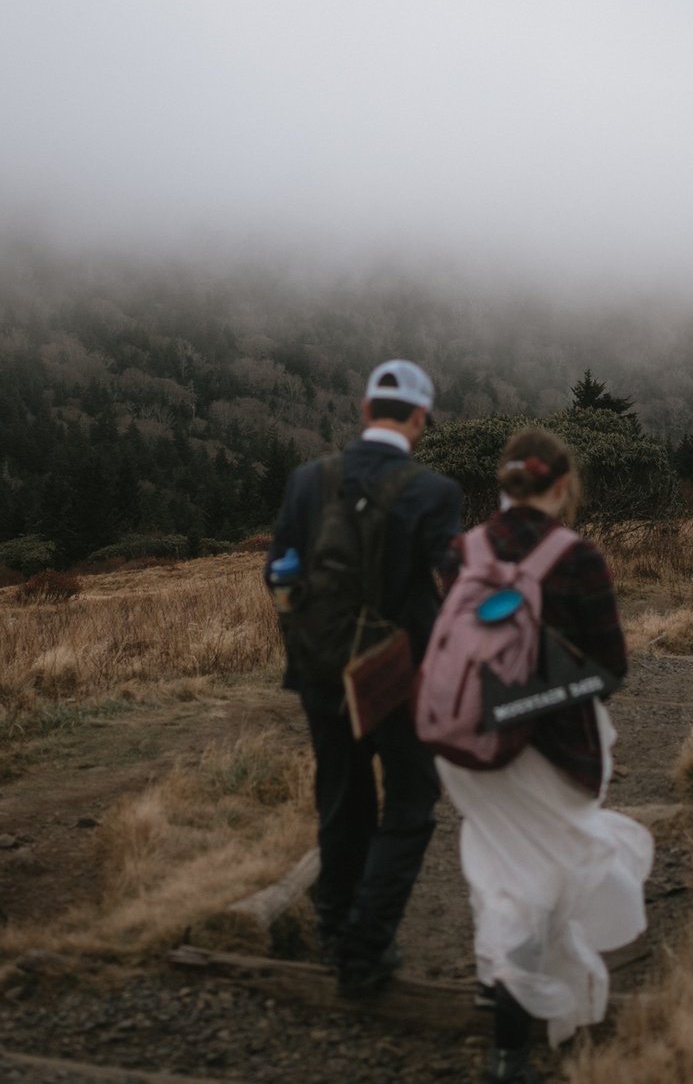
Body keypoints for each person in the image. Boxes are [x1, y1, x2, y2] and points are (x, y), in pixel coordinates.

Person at [434, 427, 650, 1084]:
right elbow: (611, 668)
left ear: (503, 484)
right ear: (562, 485)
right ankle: (510, 1047)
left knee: (500, 865)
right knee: (538, 881)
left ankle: (493, 980)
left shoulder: (458, 551)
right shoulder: (578, 557)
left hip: (471, 745)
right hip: (552, 745)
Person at [265, 358, 465, 996]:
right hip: (397, 675)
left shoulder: (307, 480)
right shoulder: (433, 491)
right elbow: (456, 588)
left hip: (320, 670)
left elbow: (278, 572)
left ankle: (332, 930)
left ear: (363, 409)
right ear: (419, 418)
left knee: (342, 799)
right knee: (410, 798)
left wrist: (309, 641)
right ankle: (367, 942)